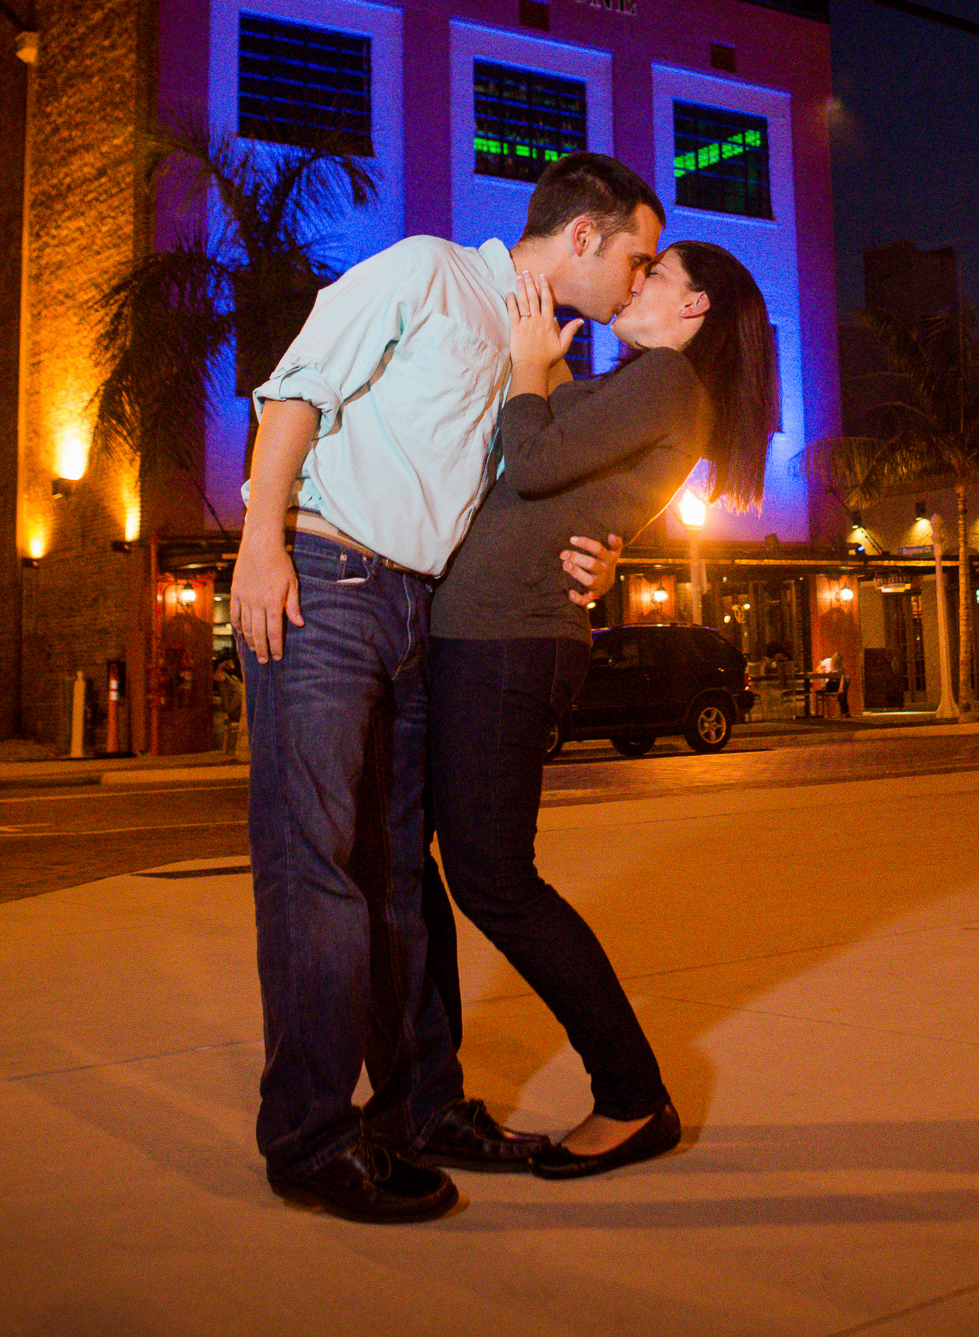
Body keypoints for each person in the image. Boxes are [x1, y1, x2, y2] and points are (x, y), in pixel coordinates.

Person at [231, 152, 663, 1225]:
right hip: (323, 585)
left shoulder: (540, 359)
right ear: (581, 240)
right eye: (636, 258)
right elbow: (296, 388)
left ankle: (420, 1108)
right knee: (318, 867)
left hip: (426, 616)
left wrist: (601, 558)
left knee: (402, 881)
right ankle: (309, 1139)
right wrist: (257, 544)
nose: (637, 281)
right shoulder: (426, 272)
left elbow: (539, 493)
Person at [420, 237, 779, 1179]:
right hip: (486, 633)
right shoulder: (649, 384)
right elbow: (552, 487)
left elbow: (532, 465)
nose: (636, 281)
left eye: (656, 274)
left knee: (494, 879)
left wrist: (532, 371)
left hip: (510, 641)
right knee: (468, 872)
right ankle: (425, 1089)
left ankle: (632, 1096)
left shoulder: (665, 380)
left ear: (694, 307)